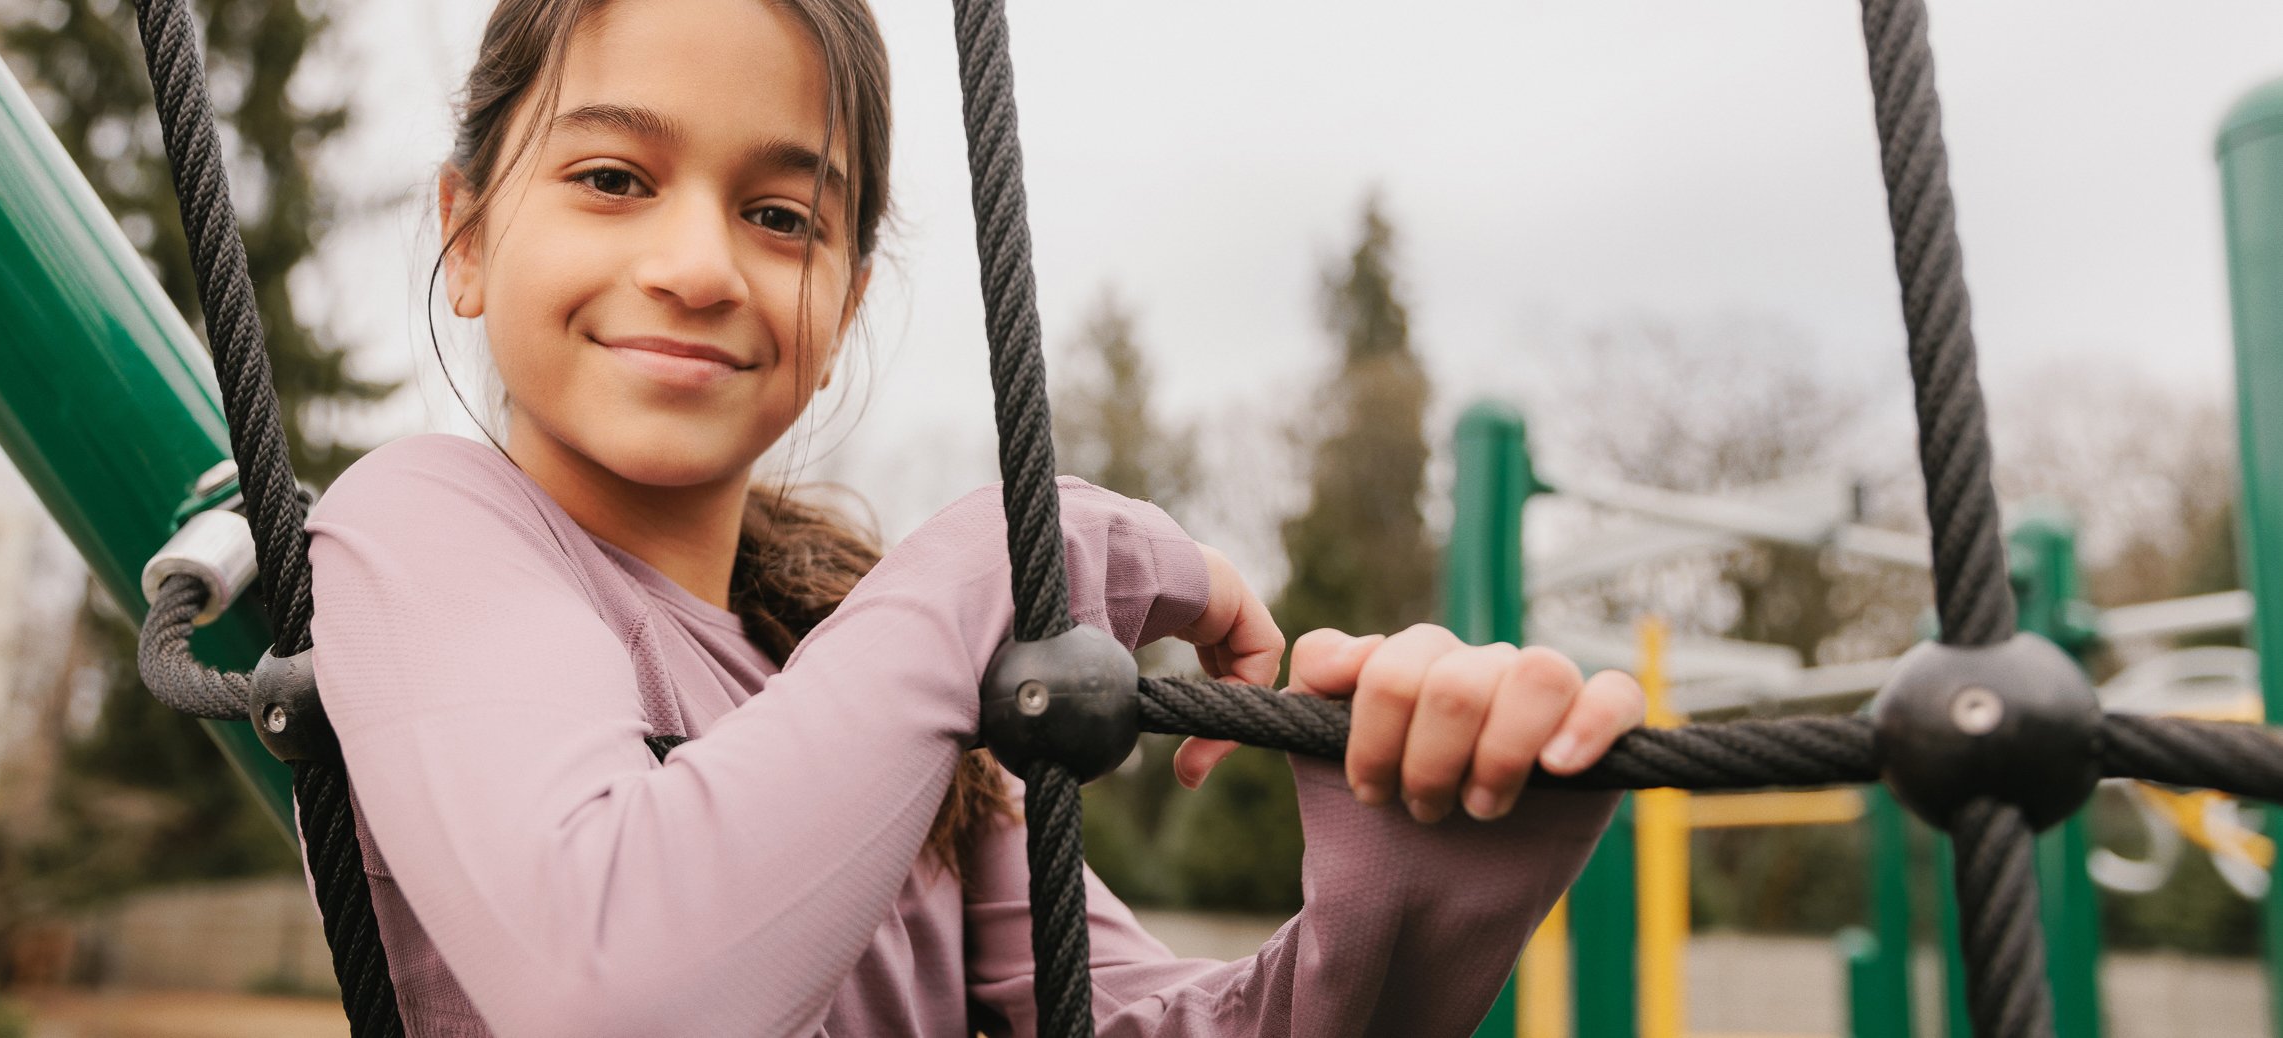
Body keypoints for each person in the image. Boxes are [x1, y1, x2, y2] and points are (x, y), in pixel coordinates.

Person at [301, 0, 1648, 1034]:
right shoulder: (424, 524)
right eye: (611, 178)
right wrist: (1025, 539)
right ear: (466, 232)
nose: (699, 266)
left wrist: (1405, 890)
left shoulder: (887, 698)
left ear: (843, 302)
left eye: (780, 214)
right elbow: (614, 983)